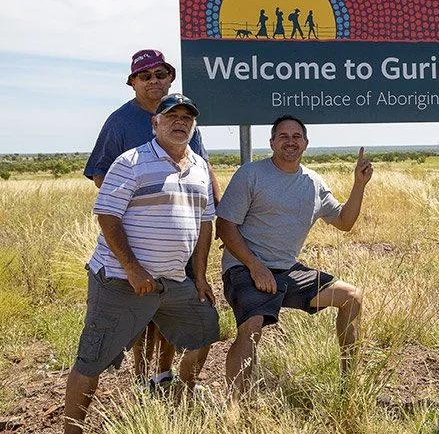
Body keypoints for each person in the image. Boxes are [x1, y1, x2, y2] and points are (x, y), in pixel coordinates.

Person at [64, 94, 219, 434]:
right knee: (93, 359)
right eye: (171, 116)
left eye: (187, 118)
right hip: (121, 280)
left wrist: (200, 275)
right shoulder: (131, 162)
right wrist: (132, 268)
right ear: (155, 123)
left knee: (205, 328)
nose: (180, 122)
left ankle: (181, 399)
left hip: (174, 281)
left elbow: (205, 222)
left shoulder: (200, 169)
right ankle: (72, 429)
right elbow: (107, 215)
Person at [83, 49, 222, 388]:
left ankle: (164, 374)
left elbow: (201, 165)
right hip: (138, 238)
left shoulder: (185, 119)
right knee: (143, 316)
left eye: (160, 74)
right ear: (133, 83)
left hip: (181, 238)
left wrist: (217, 208)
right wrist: (144, 196)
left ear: (170, 77)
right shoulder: (119, 123)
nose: (154, 81)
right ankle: (142, 378)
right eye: (145, 76)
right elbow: (101, 175)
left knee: (172, 314)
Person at [216, 115, 373, 396]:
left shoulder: (313, 182)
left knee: (352, 297)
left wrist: (359, 184)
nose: (290, 142)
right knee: (252, 326)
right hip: (244, 267)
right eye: (283, 136)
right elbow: (225, 226)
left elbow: (345, 222)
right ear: (272, 142)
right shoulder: (251, 174)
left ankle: (350, 387)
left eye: (296, 136)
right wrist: (255, 266)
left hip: (287, 271)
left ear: (306, 143)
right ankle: (235, 409)